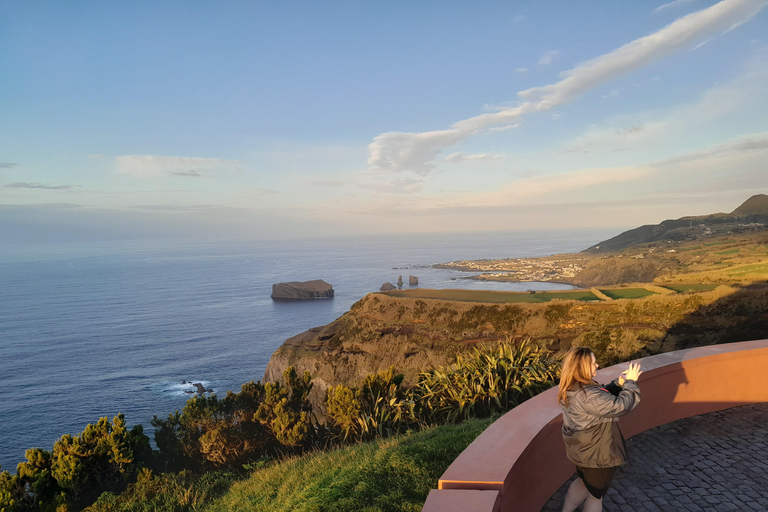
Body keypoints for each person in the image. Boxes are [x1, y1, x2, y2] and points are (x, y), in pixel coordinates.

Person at [558, 347, 642, 512]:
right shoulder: (588, 394)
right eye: (593, 363)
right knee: (595, 496)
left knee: (582, 482)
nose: (597, 365)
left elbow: (600, 398)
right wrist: (631, 383)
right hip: (597, 455)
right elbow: (621, 406)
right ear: (582, 367)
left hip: (582, 451)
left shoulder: (573, 387)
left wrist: (618, 384)